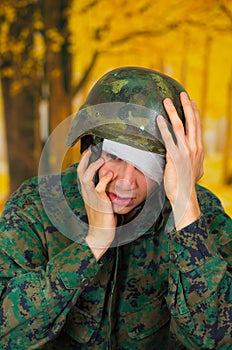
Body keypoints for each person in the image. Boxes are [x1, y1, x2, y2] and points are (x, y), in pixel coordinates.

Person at [0, 66, 231, 350]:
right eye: (115, 156)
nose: (126, 182)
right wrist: (91, 245)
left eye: (148, 165)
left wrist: (185, 207)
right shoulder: (34, 208)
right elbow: (6, 333)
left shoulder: (199, 212)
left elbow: (220, 338)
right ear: (90, 148)